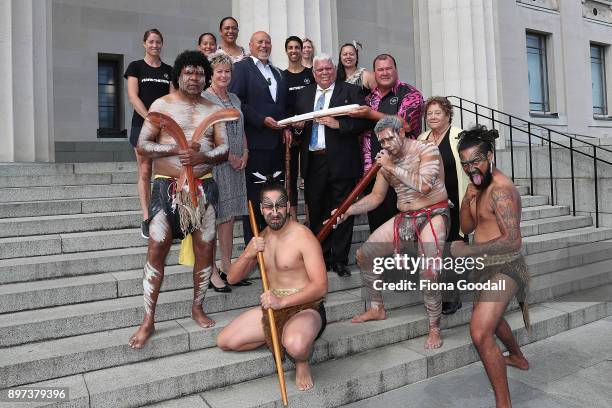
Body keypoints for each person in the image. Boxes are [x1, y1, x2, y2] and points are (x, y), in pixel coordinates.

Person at [128, 50, 236, 348]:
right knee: (157, 246)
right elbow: (143, 144)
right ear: (178, 75)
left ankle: (197, 307)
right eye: (189, 72)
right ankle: (148, 318)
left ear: (206, 77)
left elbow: (224, 150)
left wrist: (201, 155)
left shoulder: (213, 109)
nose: (194, 77)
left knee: (205, 248)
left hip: (204, 187)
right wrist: (176, 151)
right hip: (166, 189)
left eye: (199, 73)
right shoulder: (161, 105)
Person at [334, 116, 448, 349]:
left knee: (429, 272)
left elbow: (425, 186)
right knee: (364, 255)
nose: (385, 145)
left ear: (402, 134)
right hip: (405, 216)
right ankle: (377, 308)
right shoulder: (386, 162)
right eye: (381, 141)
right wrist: (347, 211)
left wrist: (391, 166)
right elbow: (376, 197)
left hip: (432, 214)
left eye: (389, 139)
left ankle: (434, 328)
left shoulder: (426, 150)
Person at [216, 180, 328, 391]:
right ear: (261, 209)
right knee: (225, 341)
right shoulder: (260, 240)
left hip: (305, 307)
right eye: (268, 206)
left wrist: (282, 301)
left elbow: (321, 287)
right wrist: (248, 253)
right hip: (274, 311)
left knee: (296, 345)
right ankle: (277, 334)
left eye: (280, 205)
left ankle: (301, 361)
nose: (274, 211)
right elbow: (231, 278)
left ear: (287, 207)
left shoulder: (303, 236)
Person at [450, 125, 530, 408]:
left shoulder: (500, 191)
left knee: (480, 332)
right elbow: (468, 225)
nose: (471, 168)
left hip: (506, 267)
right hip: (484, 268)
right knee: (492, 322)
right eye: (465, 163)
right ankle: (518, 357)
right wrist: (467, 199)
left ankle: (503, 404)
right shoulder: (478, 186)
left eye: (476, 161)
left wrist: (468, 249)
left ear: (490, 156)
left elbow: (513, 240)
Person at [294, 54, 368, 277]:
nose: (324, 72)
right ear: (313, 73)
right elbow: (298, 129)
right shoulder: (304, 94)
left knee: (343, 211)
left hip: (342, 161)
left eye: (328, 68)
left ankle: (339, 259)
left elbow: (363, 122)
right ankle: (321, 257)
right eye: (319, 70)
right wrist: (297, 128)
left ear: (334, 70)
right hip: (314, 160)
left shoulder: (351, 91)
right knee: (316, 211)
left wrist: (338, 125)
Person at [349, 53, 424, 233]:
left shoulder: (410, 93)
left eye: (388, 68)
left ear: (396, 70)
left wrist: (370, 114)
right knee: (379, 230)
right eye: (380, 69)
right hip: (373, 173)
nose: (384, 73)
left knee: (406, 230)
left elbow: (404, 124)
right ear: (374, 73)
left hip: (404, 173)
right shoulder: (368, 99)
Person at [229, 31, 290, 248]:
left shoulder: (278, 72)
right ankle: (252, 247)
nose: (264, 45)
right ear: (251, 45)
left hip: (277, 146)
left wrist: (287, 127)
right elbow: (236, 101)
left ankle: (276, 245)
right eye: (260, 42)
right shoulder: (242, 68)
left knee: (276, 197)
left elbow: (282, 106)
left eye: (267, 42)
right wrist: (261, 120)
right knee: (255, 198)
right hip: (255, 143)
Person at [202, 52, 251, 289]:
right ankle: (209, 271)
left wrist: (245, 152)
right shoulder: (204, 98)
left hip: (237, 165)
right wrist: (228, 155)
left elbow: (241, 129)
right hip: (216, 164)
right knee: (215, 216)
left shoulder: (234, 98)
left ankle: (227, 267)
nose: (224, 75)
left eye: (227, 71)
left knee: (230, 217)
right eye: (219, 71)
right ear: (211, 75)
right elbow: (204, 134)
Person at [418, 96, 469, 315]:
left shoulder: (460, 137)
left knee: (453, 246)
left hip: (457, 201)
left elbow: (474, 166)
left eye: (437, 112)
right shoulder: (422, 138)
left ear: (448, 114)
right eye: (429, 113)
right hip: (430, 202)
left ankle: (452, 295)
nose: (432, 117)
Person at [124, 29, 172, 238]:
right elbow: (133, 98)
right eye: (151, 41)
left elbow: (172, 100)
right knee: (145, 172)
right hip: (142, 127)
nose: (155, 45)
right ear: (144, 43)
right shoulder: (135, 67)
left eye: (158, 42)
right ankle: (146, 217)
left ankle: (164, 214)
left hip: (164, 129)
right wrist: (151, 118)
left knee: (164, 172)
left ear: (162, 44)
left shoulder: (169, 70)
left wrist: (165, 123)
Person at [283, 36, 314, 221]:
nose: (294, 50)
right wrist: (287, 126)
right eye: (290, 47)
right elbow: (281, 105)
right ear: (286, 51)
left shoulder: (310, 75)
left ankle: (311, 218)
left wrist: (305, 121)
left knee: (309, 176)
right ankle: (293, 219)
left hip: (309, 130)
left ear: (302, 50)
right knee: (291, 175)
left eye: (297, 47)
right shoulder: (281, 76)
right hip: (290, 134)